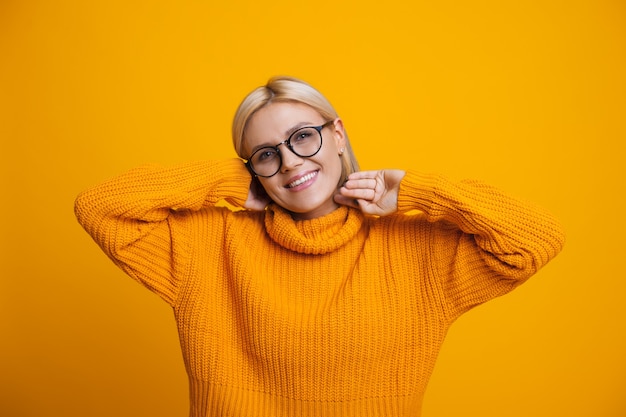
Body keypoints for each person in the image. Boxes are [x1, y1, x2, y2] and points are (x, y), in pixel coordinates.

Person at [74, 76, 565, 417]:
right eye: (267, 153)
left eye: (302, 137)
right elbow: (100, 208)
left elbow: (535, 238)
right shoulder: (209, 244)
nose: (289, 162)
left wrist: (419, 191)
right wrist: (227, 177)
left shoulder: (416, 251)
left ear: (337, 134)